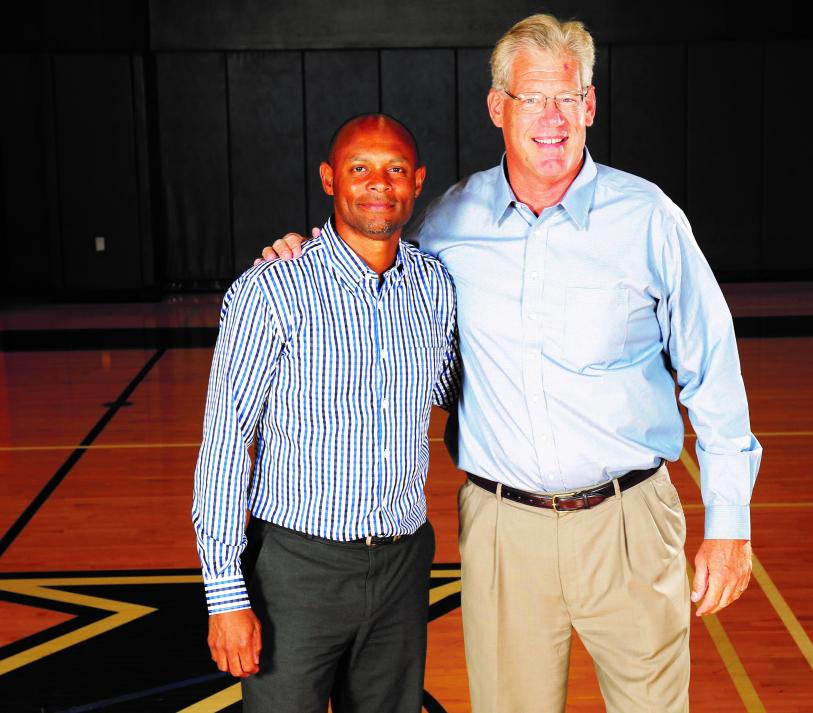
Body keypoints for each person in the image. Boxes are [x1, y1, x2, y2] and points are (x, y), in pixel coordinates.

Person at [260, 14, 761, 713]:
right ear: (499, 108)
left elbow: (714, 367)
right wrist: (300, 254)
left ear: (589, 105)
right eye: (532, 98)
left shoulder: (648, 220)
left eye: (567, 97)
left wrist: (730, 523)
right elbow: (369, 257)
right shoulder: (448, 226)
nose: (551, 118)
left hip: (630, 523)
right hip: (504, 530)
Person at [192, 114, 460, 713]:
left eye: (394, 169)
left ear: (417, 181)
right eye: (359, 168)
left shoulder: (435, 286)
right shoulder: (273, 289)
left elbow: (455, 388)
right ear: (329, 179)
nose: (378, 184)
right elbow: (227, 443)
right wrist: (224, 594)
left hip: (401, 560)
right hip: (296, 567)